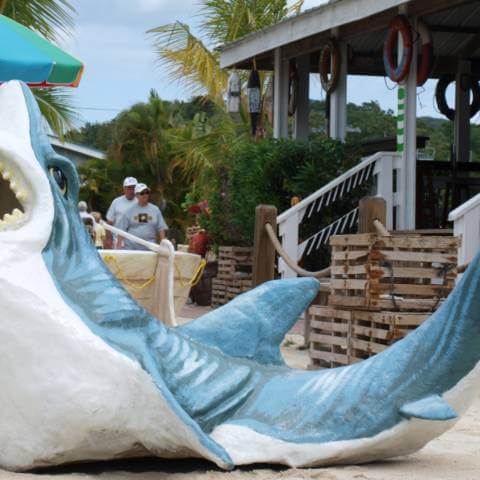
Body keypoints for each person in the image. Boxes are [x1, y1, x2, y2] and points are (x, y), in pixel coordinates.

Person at [116, 183, 168, 250]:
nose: (145, 195)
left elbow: (161, 228)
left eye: (147, 192)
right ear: (136, 195)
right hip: (131, 248)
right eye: (142, 193)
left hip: (150, 248)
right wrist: (118, 247)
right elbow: (121, 229)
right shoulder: (129, 211)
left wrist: (163, 245)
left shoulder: (155, 210)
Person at [105, 177, 138, 248]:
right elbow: (109, 222)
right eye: (129, 188)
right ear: (124, 188)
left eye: (134, 188)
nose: (132, 190)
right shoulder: (116, 202)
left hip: (137, 242)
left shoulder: (141, 202)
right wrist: (108, 239)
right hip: (119, 243)